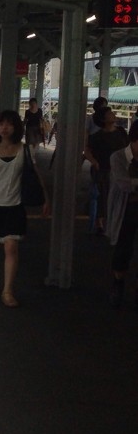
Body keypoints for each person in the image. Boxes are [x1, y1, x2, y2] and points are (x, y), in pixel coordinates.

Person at [0, 109, 50, 307]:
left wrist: (46, 198)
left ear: (16, 127)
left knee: (11, 247)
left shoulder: (25, 150)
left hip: (14, 205)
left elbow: (35, 174)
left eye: (9, 124)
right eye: (1, 124)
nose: (4, 128)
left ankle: (7, 291)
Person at [106, 121, 138, 309]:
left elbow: (128, 184)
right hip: (125, 209)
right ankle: (118, 282)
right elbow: (122, 183)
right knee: (122, 249)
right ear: (133, 140)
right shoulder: (118, 157)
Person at [83, 107, 128, 235]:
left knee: (115, 196)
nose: (112, 115)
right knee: (102, 196)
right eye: (109, 114)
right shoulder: (97, 136)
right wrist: (94, 162)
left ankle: (112, 222)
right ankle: (100, 223)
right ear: (103, 119)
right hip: (102, 169)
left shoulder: (121, 132)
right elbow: (87, 150)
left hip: (118, 170)